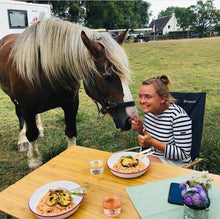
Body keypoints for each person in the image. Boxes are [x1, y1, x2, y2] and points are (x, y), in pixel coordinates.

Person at [130, 75, 192, 167]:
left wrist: (152, 143)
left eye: (148, 97)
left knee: (135, 165)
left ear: (163, 98)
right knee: (125, 163)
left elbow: (183, 154)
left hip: (178, 164)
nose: (142, 101)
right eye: (140, 96)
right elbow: (151, 137)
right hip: (154, 156)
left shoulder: (177, 117)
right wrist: (140, 129)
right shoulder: (150, 111)